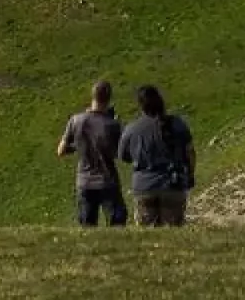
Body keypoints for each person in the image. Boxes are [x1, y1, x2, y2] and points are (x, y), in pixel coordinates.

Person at [118, 85, 196, 226]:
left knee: (147, 233)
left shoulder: (132, 128)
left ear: (140, 105)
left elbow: (123, 155)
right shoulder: (177, 124)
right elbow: (190, 152)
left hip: (144, 185)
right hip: (172, 184)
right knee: (173, 230)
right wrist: (190, 175)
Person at [57, 80, 127, 226]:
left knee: (87, 226)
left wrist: (79, 144)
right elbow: (119, 153)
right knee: (117, 224)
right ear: (109, 98)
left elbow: (61, 150)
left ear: (92, 96)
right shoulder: (112, 124)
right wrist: (118, 126)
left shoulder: (75, 120)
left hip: (85, 181)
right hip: (107, 181)